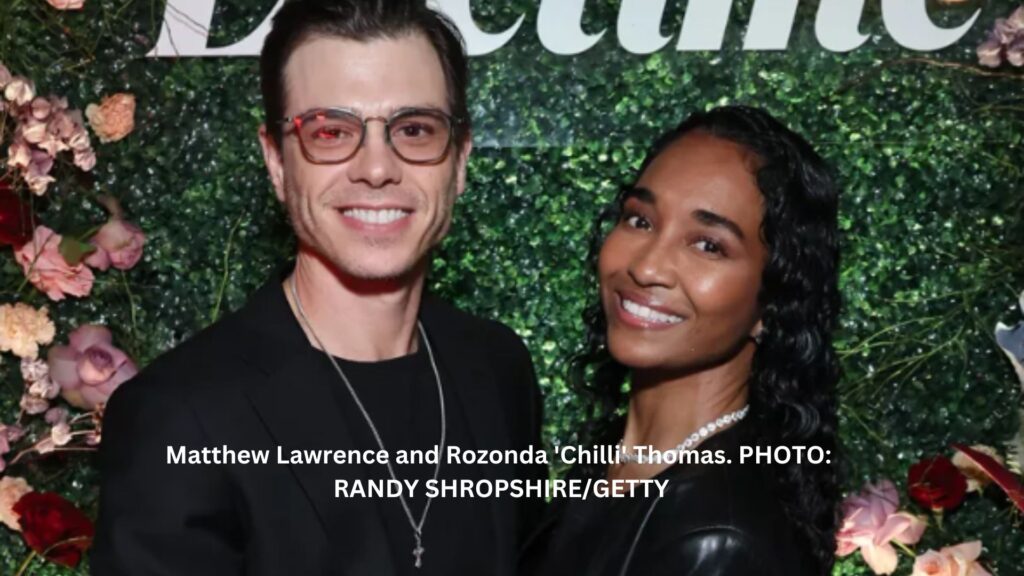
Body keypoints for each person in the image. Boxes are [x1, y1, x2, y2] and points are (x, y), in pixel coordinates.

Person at [91, 1, 546, 574]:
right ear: (276, 162)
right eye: (331, 131)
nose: (376, 168)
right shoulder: (178, 415)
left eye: (414, 129)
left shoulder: (498, 368)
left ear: (459, 160)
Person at [522, 105, 841, 576]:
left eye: (708, 245)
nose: (647, 267)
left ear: (774, 305)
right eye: (640, 220)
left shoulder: (718, 544)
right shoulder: (617, 464)